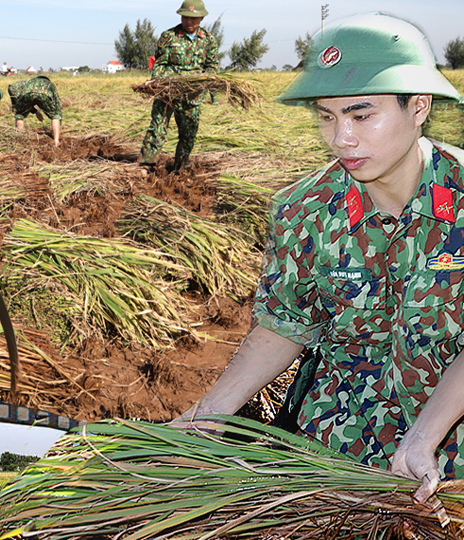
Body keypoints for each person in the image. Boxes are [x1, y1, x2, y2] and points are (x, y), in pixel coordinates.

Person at [178, 13, 464, 504]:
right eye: (326, 117)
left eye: (360, 115)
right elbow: (285, 323)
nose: (340, 139)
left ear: (418, 106)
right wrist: (209, 414)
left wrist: (423, 436)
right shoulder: (303, 209)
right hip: (333, 460)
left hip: (448, 463)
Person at [138, 0, 219, 172]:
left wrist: (207, 86)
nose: (189, 22)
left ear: (202, 18)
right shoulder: (168, 36)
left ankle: (179, 168)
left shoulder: (208, 40)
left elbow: (212, 67)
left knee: (188, 135)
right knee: (157, 127)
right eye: (185, 17)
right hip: (167, 92)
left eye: (193, 18)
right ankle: (146, 165)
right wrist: (162, 81)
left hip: (192, 96)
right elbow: (160, 64)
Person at [7, 76, 62, 146]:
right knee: (55, 116)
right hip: (44, 95)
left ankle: (21, 139)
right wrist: (58, 115)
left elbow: (29, 97)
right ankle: (56, 141)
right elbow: (57, 100)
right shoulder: (49, 83)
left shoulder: (30, 82)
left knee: (20, 115)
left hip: (26, 94)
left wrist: (35, 111)